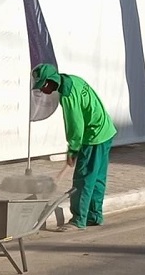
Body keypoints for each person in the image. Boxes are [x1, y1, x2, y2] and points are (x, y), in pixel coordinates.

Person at [31, 63, 117, 231]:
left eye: (43, 86)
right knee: (97, 178)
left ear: (50, 82)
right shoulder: (73, 80)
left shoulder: (68, 96)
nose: (43, 91)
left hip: (94, 136)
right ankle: (94, 215)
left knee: (83, 178)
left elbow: (76, 127)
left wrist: (72, 150)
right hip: (106, 130)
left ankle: (79, 219)